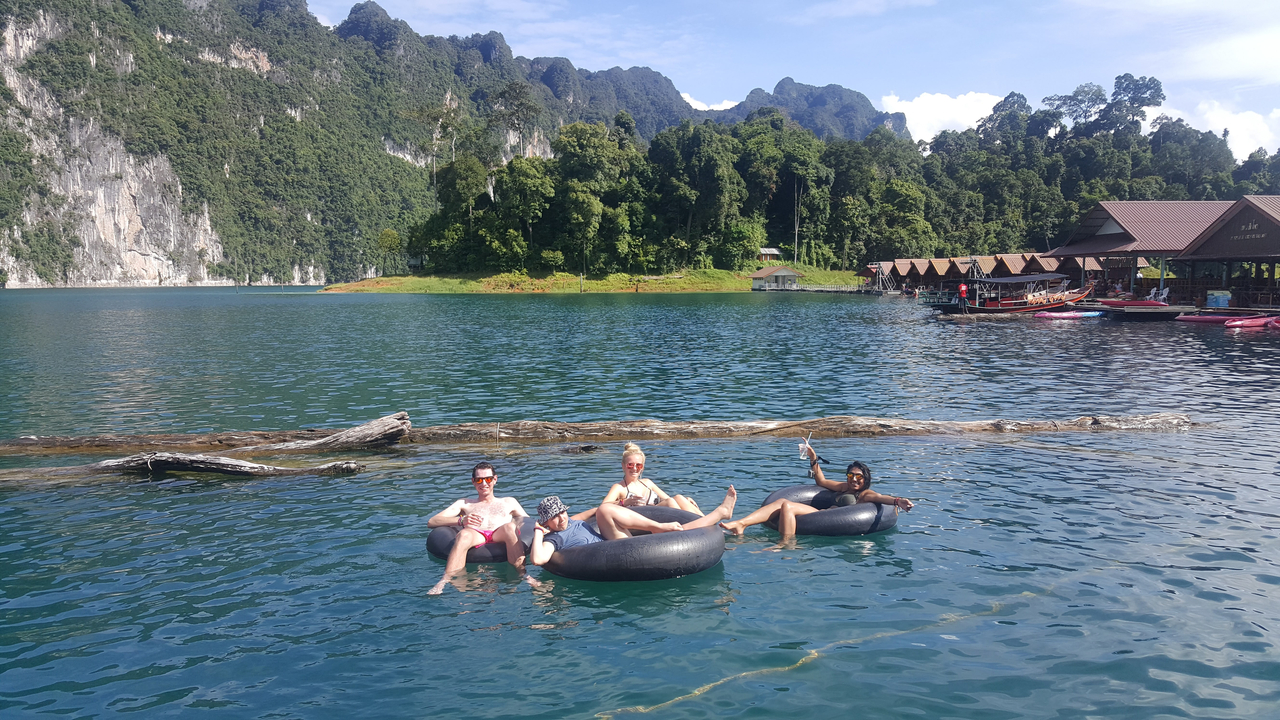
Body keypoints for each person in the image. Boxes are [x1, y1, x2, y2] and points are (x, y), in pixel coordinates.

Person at [720, 445, 913, 542]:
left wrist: (898, 501)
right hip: (819, 514)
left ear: (865, 479)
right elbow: (821, 481)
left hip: (827, 518)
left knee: (787, 505)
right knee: (781, 501)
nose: (854, 480)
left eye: (859, 477)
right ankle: (741, 523)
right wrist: (813, 458)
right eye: (850, 475)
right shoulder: (843, 488)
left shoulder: (865, 494)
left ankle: (786, 543)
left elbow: (881, 498)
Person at [528, 486, 737, 565]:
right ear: (546, 522)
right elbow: (538, 559)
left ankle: (657, 527)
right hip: (612, 554)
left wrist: (622, 504)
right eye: (555, 517)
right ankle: (719, 513)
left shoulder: (571, 520)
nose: (562, 518)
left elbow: (594, 510)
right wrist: (538, 531)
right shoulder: (556, 538)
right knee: (673, 531)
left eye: (562, 511)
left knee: (603, 509)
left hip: (616, 542)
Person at [426, 462, 530, 595]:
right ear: (473, 482)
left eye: (488, 479)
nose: (484, 483)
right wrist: (461, 520)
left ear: (495, 479)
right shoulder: (464, 503)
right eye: (479, 480)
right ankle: (445, 580)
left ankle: (523, 574)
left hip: (500, 534)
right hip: (476, 534)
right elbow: (432, 521)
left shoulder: (509, 502)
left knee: (510, 527)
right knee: (464, 535)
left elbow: (528, 522)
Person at [599, 442, 701, 514]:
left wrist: (686, 500)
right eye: (630, 465)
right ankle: (693, 526)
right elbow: (603, 507)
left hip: (658, 514)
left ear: (642, 467)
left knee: (679, 497)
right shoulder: (619, 487)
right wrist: (625, 502)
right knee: (670, 502)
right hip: (640, 519)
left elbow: (668, 498)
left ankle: (709, 524)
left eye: (638, 465)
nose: (634, 469)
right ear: (623, 466)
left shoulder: (647, 483)